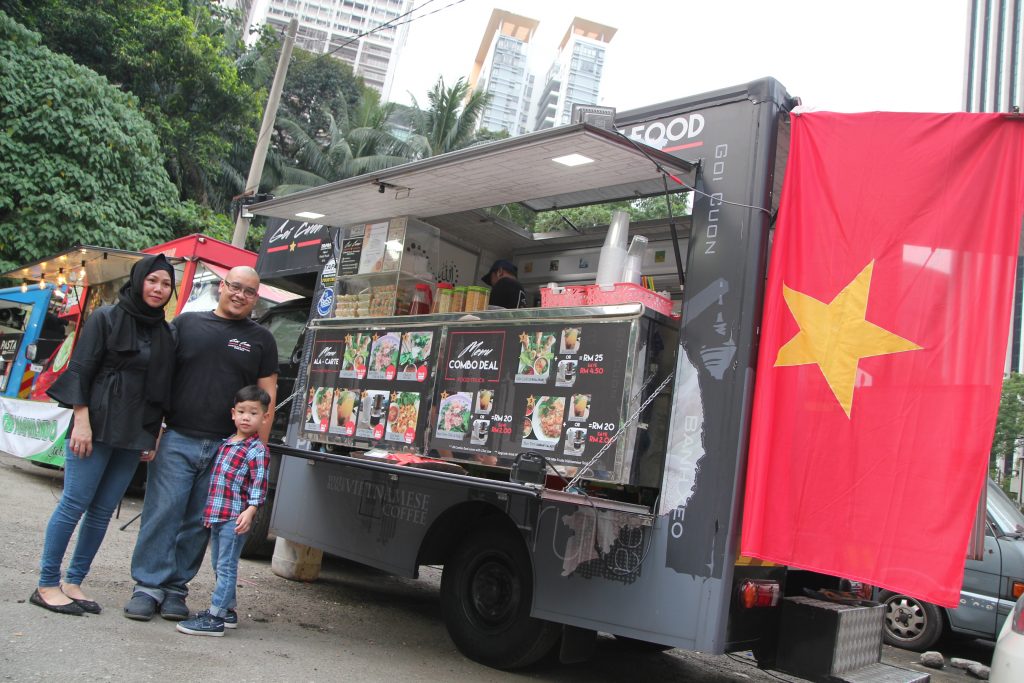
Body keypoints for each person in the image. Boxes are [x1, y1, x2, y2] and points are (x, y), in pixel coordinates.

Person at [124, 266, 278, 622]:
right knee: (162, 513)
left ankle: (175, 589)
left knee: (199, 521)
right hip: (177, 436)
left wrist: (258, 448)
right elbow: (160, 377)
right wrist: (153, 428)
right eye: (235, 287)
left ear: (256, 298)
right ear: (222, 287)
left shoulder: (261, 339)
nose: (240, 295)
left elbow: (267, 395)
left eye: (249, 291)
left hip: (227, 449)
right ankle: (147, 587)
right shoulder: (186, 324)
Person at [32, 254, 176, 616]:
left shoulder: (165, 332)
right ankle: (47, 584)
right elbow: (81, 369)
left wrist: (154, 432)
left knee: (101, 511)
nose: (158, 289)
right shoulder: (106, 317)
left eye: (166, 284)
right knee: (74, 504)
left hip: (135, 429)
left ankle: (73, 581)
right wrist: (81, 421)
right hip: (95, 422)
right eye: (153, 280)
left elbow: (161, 387)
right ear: (139, 280)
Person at [177, 385, 270, 637]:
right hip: (218, 515)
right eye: (241, 411)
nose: (246, 417)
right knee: (219, 564)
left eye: (253, 413)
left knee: (227, 566)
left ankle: (215, 618)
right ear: (233, 413)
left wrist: (251, 511)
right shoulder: (227, 443)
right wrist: (210, 514)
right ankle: (228, 610)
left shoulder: (257, 450)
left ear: (264, 417)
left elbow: (259, 484)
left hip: (235, 518)